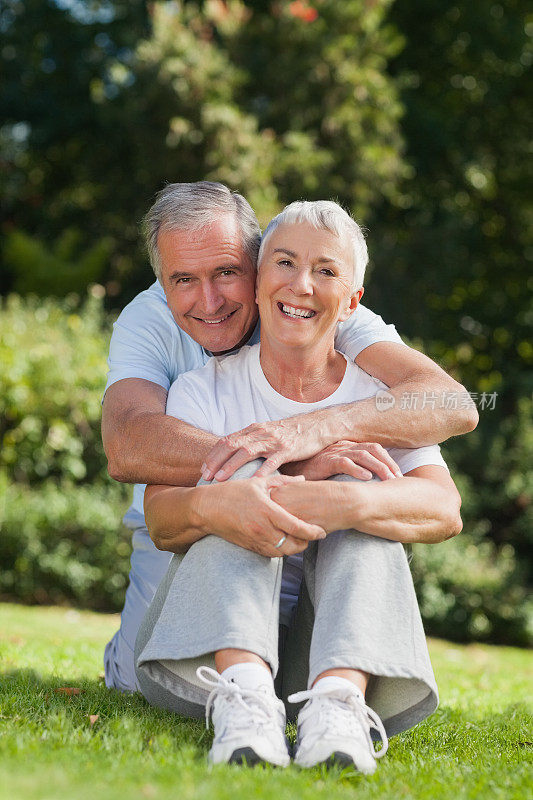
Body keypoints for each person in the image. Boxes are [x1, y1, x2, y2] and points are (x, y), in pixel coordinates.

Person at [101, 182, 477, 693]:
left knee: (359, 533)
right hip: (184, 545)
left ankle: (332, 695)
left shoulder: (318, 303)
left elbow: (450, 402)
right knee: (137, 679)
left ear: (254, 267)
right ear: (162, 284)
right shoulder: (150, 324)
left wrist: (312, 430)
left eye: (226, 273)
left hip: (318, 566)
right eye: (183, 279)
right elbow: (128, 444)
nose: (208, 301)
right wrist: (291, 467)